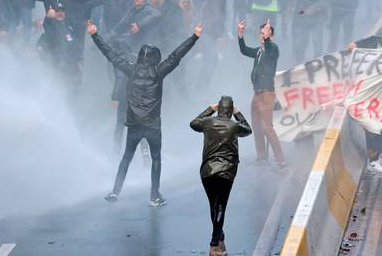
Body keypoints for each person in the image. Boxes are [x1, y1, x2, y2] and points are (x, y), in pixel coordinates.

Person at [88, 20, 203, 206]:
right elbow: (176, 56)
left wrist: (95, 35)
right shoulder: (158, 72)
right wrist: (194, 37)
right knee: (156, 159)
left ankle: (115, 191)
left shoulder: (131, 69)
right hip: (152, 125)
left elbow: (111, 54)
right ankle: (154, 196)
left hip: (134, 124)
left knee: (126, 157)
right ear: (155, 58)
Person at [190, 96, 252, 256]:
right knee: (220, 206)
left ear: (219, 108)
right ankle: (214, 245)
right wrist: (238, 113)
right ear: (230, 110)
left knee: (213, 206)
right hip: (226, 171)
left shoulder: (208, 123)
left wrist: (210, 109)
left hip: (207, 170)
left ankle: (220, 239)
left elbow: (193, 123)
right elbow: (248, 129)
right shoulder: (234, 126)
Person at [348, 24, 382, 173]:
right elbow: (352, 46)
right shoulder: (373, 41)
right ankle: (372, 160)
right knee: (373, 126)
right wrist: (355, 47)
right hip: (375, 94)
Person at [237, 19, 286, 169]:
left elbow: (270, 48)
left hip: (266, 93)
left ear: (271, 36)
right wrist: (240, 34)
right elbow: (244, 50)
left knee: (267, 127)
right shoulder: (259, 51)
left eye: (264, 33)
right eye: (260, 33)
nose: (261, 35)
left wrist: (267, 35)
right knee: (257, 126)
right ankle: (262, 157)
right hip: (257, 93)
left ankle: (281, 160)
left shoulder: (273, 50)